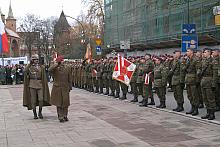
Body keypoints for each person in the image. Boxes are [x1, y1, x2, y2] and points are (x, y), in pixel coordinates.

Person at [23, 54, 50, 119]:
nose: (36, 61)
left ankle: (40, 112)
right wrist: (29, 64)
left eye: (37, 59)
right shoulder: (29, 67)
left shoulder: (41, 67)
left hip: (40, 84)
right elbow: (25, 71)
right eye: (35, 59)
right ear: (32, 60)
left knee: (41, 99)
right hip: (32, 84)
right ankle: (35, 113)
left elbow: (44, 76)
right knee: (33, 100)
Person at [49, 56, 72, 123]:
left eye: (62, 61)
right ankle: (60, 116)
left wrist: (70, 86)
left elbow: (69, 77)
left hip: (65, 87)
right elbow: (49, 70)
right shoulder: (55, 68)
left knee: (66, 102)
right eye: (60, 61)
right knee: (59, 103)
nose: (62, 62)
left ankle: (65, 115)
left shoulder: (67, 68)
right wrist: (56, 64)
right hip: (57, 87)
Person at [199, 48, 216, 120]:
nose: (203, 53)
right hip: (203, 81)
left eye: (205, 52)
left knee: (210, 99)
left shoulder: (213, 61)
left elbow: (215, 74)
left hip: (209, 81)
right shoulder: (203, 61)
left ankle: (212, 114)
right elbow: (200, 69)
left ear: (209, 53)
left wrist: (213, 84)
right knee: (205, 98)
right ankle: (208, 113)